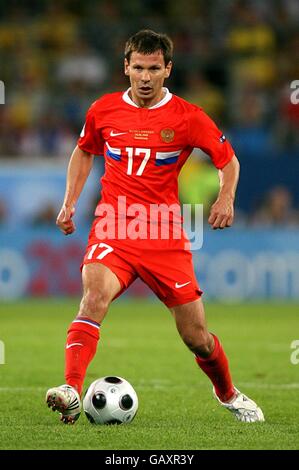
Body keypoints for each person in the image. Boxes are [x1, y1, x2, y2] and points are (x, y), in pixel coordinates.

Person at [46, 30, 264, 424]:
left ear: (167, 70)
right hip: (113, 226)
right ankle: (71, 390)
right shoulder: (103, 110)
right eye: (138, 68)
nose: (145, 77)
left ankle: (229, 393)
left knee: (196, 337)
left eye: (153, 69)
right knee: (93, 299)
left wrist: (226, 197)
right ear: (125, 68)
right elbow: (83, 151)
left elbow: (228, 160)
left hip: (163, 234)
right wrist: (70, 202)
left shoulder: (188, 117)